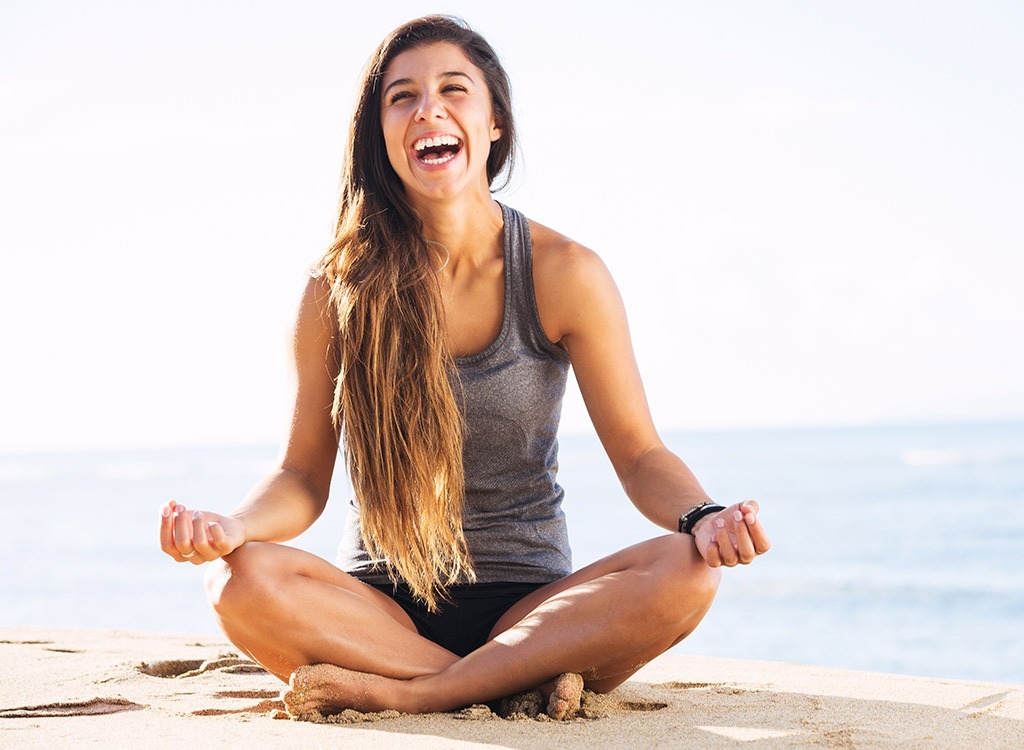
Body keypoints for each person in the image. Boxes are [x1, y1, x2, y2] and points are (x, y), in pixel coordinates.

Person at [158, 15, 770, 720]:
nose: (429, 109)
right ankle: (501, 683)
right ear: (380, 132)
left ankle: (415, 693)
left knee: (687, 571)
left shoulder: (564, 273)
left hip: (531, 607)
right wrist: (233, 527)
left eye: (454, 89)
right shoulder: (336, 289)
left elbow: (639, 455)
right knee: (238, 582)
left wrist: (704, 516)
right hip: (377, 616)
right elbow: (301, 475)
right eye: (402, 97)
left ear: (495, 122)